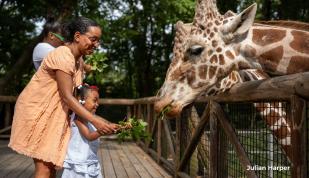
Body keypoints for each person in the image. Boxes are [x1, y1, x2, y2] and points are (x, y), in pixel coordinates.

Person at [9, 17, 118, 178]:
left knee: (52, 167)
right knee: (44, 169)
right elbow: (67, 96)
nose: (96, 45)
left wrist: (104, 122)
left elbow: (78, 96)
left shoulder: (78, 60)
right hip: (38, 112)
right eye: (93, 39)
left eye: (98, 41)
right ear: (77, 36)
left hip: (56, 114)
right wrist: (95, 121)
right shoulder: (63, 55)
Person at [62, 84, 104, 178]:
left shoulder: (92, 118)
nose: (97, 104)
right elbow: (89, 136)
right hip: (78, 166)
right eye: (94, 100)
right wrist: (103, 130)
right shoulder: (77, 117)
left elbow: (105, 124)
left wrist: (117, 127)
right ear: (81, 99)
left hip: (90, 162)